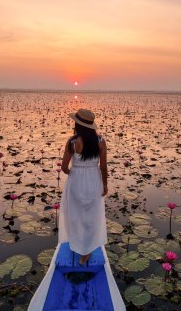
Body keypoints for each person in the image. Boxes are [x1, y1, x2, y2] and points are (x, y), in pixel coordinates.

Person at [59, 108, 108, 265]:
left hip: (76, 181)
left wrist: (71, 172)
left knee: (75, 215)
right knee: (91, 215)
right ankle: (87, 249)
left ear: (77, 124)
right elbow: (104, 167)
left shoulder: (72, 142)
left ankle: (78, 246)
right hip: (94, 180)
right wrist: (105, 184)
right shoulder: (100, 141)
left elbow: (64, 167)